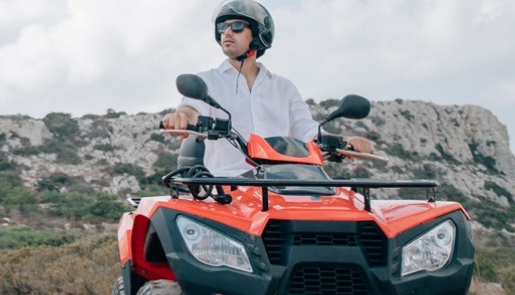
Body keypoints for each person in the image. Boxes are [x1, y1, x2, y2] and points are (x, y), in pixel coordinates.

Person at [160, 0, 374, 178]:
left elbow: (306, 130)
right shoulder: (207, 81)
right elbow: (192, 109)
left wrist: (345, 143)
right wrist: (181, 117)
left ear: (257, 33)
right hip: (227, 188)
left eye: (236, 26)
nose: (226, 32)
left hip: (285, 186)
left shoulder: (283, 88)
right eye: (222, 27)